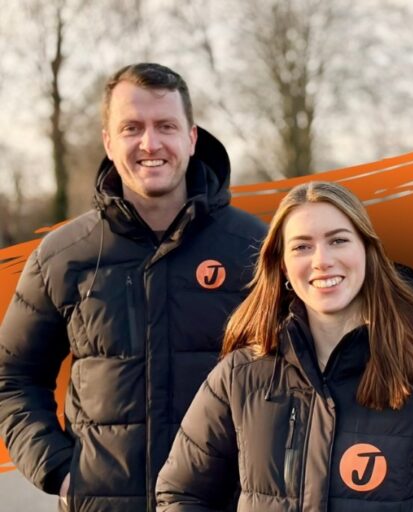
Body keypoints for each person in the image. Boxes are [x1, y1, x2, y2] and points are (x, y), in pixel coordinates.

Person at [155, 181, 413, 511]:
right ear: (282, 265)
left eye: (338, 240)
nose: (322, 261)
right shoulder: (240, 375)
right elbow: (180, 494)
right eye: (302, 246)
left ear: (367, 251)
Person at [0, 62, 268, 511]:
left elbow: (307, 376)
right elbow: (12, 377)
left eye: (166, 126)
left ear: (191, 138)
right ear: (108, 141)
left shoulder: (256, 249)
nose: (150, 143)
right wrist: (61, 472)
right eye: (132, 128)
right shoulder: (62, 255)